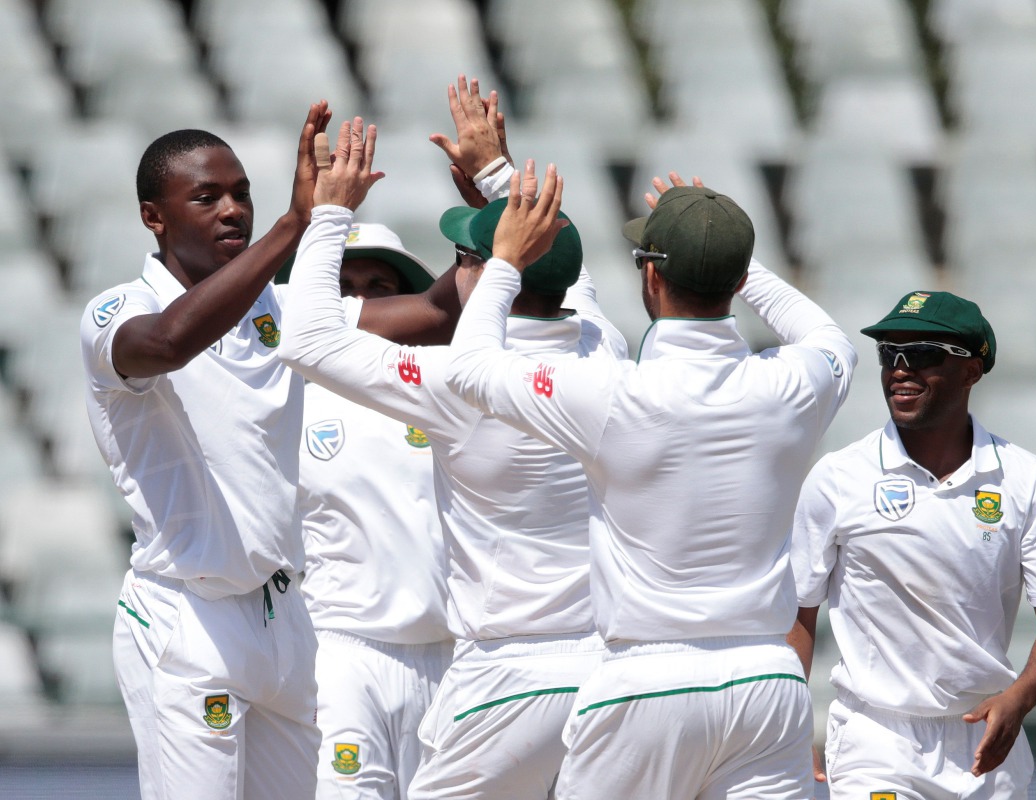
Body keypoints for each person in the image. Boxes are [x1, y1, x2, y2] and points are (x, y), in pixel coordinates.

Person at [444, 167, 857, 800]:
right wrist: (727, 254)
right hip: (767, 682)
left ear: (652, 276)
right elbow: (830, 338)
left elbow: (470, 368)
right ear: (736, 280)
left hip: (647, 681)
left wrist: (503, 261)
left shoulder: (611, 392)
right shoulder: (795, 383)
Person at [80, 109, 458, 800]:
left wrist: (489, 213)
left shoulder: (279, 309)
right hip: (188, 613)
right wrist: (298, 223)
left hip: (284, 614)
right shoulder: (115, 311)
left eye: (242, 193)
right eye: (207, 197)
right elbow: (167, 342)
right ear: (152, 217)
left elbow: (435, 315)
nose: (233, 210)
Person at [276, 105, 628, 797]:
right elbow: (569, 271)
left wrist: (327, 213)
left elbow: (308, 337)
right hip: (581, 657)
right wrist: (498, 176)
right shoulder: (602, 344)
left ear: (490, 277)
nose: (457, 268)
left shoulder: (459, 379)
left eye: (466, 259)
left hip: (492, 663)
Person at [789, 291, 1036, 800]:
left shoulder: (1024, 477)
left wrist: (1019, 698)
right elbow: (795, 614)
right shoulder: (838, 477)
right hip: (876, 739)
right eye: (889, 354)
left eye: (923, 354)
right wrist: (790, 722)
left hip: (987, 737)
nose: (900, 370)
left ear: (971, 370)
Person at [297, 222, 453, 799]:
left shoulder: (442, 385)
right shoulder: (287, 391)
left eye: (378, 287)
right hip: (340, 652)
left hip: (448, 655)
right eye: (343, 287)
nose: (360, 303)